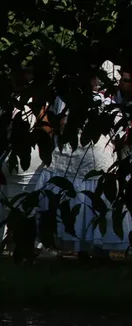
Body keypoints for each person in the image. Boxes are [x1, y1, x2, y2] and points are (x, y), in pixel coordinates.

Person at [34, 69, 125, 254]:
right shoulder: (106, 102)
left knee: (80, 198)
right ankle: (95, 248)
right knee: (93, 201)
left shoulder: (66, 99)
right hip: (88, 157)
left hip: (76, 156)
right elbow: (119, 134)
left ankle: (75, 245)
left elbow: (57, 124)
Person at [0, 68, 48, 254]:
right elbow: (47, 130)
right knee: (27, 202)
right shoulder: (35, 103)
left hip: (6, 157)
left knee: (3, 200)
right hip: (28, 157)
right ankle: (27, 245)